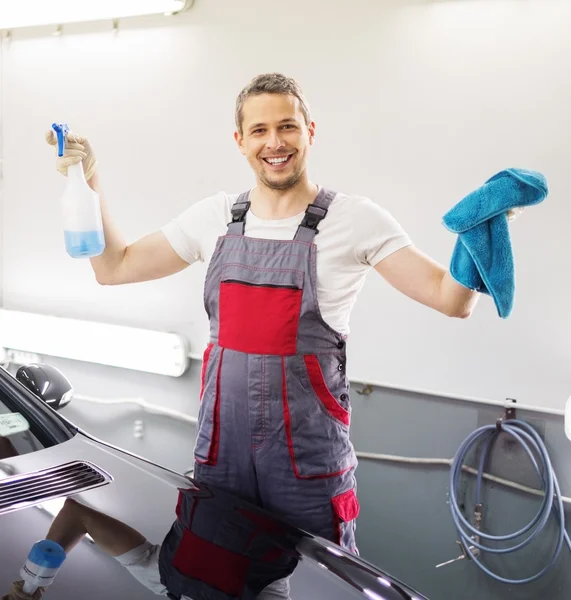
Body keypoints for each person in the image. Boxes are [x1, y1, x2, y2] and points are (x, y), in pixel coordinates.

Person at [45, 72, 515, 576]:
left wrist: (481, 226)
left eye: (288, 127)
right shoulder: (215, 217)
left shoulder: (356, 220)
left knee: (320, 586)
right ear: (241, 140)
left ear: (311, 131)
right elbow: (112, 268)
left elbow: (451, 300)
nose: (275, 142)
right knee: (213, 580)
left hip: (308, 469)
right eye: (260, 130)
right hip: (220, 459)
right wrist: (87, 181)